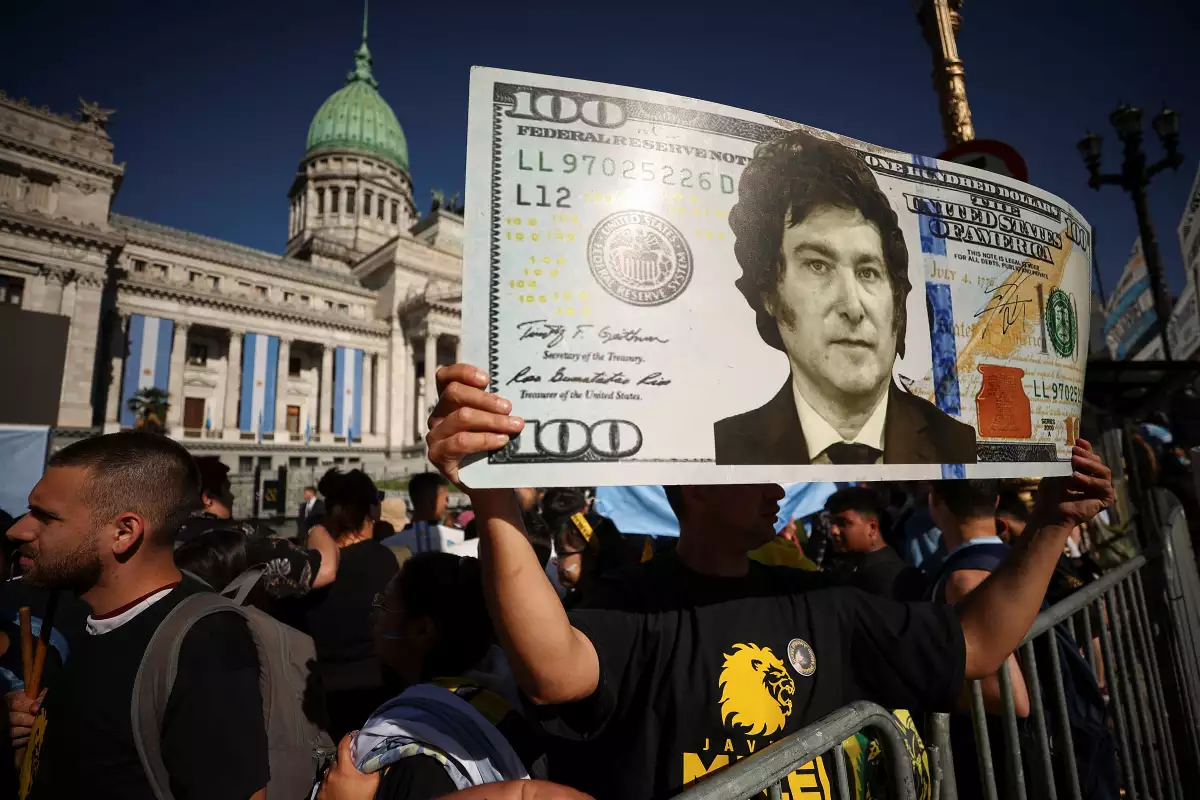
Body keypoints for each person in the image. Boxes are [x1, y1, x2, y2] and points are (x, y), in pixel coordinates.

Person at [424, 363, 1113, 799]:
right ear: (694, 482)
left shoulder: (825, 605)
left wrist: (1053, 524)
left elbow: (977, 645)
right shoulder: (633, 606)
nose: (779, 481)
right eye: (756, 463)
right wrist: (492, 495)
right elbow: (553, 671)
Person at [5, 431, 268, 799]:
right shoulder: (69, 609)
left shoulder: (204, 642)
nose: (18, 530)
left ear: (124, 532)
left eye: (45, 517)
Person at [713, 130, 976, 466]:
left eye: (868, 272)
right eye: (818, 266)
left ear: (896, 298)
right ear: (770, 294)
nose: (853, 307)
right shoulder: (727, 450)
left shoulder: (957, 444)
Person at [315, 552, 547, 800]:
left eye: (384, 605)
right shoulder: (504, 700)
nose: (374, 616)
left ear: (422, 630)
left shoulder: (422, 758)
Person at [277, 468, 399, 741]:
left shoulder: (307, 570)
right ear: (372, 510)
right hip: (376, 691)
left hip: (318, 693)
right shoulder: (384, 559)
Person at [927, 480, 1030, 800]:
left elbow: (1006, 696)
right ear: (997, 500)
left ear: (935, 501)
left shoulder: (965, 580)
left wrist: (927, 687)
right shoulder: (1019, 560)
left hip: (999, 760)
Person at [175, 455, 340, 599]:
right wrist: (316, 529)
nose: (232, 497)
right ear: (207, 498)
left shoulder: (162, 534)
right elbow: (324, 569)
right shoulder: (241, 537)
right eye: (227, 490)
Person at [824, 486, 927, 601]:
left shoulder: (894, 580)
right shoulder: (851, 569)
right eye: (831, 523)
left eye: (843, 523)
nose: (833, 530)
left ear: (872, 527)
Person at [382, 473, 463, 554]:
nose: (446, 504)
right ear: (433, 502)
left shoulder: (387, 546)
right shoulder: (459, 539)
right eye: (446, 499)